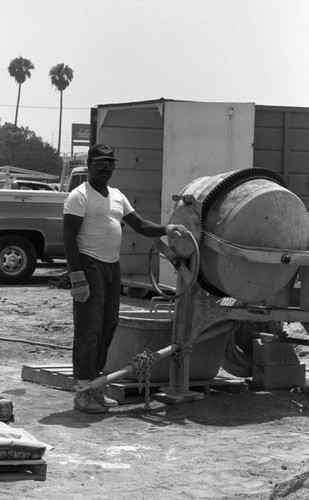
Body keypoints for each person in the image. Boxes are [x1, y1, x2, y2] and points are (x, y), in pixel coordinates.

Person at [63, 143, 187, 414]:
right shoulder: (78, 196)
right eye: (100, 163)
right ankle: (82, 392)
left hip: (111, 267)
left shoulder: (118, 196)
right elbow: (69, 238)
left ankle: (95, 386)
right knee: (89, 330)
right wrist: (77, 277)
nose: (106, 167)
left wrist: (169, 228)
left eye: (110, 162)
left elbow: (140, 226)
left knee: (108, 327)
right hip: (89, 266)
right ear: (89, 165)